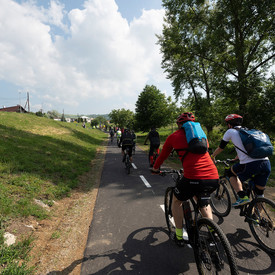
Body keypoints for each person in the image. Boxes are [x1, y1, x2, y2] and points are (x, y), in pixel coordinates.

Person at [152, 112, 219, 246]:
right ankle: (213, 232)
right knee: (202, 200)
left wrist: (155, 169)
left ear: (179, 124)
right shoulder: (202, 136)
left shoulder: (173, 137)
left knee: (177, 200)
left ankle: (179, 236)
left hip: (193, 176)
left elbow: (162, 156)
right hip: (213, 176)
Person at [211, 114, 271, 206]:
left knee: (230, 173)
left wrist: (212, 156)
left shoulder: (230, 131)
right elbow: (247, 147)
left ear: (229, 124)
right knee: (259, 195)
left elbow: (221, 148)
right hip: (266, 163)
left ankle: (242, 197)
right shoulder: (247, 131)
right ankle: (257, 218)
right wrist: (237, 156)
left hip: (250, 164)